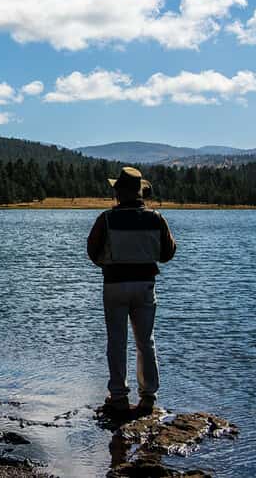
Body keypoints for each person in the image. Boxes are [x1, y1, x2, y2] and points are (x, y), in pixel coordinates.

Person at [87, 166, 176, 413]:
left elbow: (92, 252)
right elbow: (168, 253)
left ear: (118, 193)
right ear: (140, 193)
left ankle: (119, 397)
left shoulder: (106, 219)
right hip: (145, 285)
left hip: (114, 285)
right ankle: (148, 397)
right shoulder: (156, 218)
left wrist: (109, 263)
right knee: (145, 341)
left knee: (117, 341)